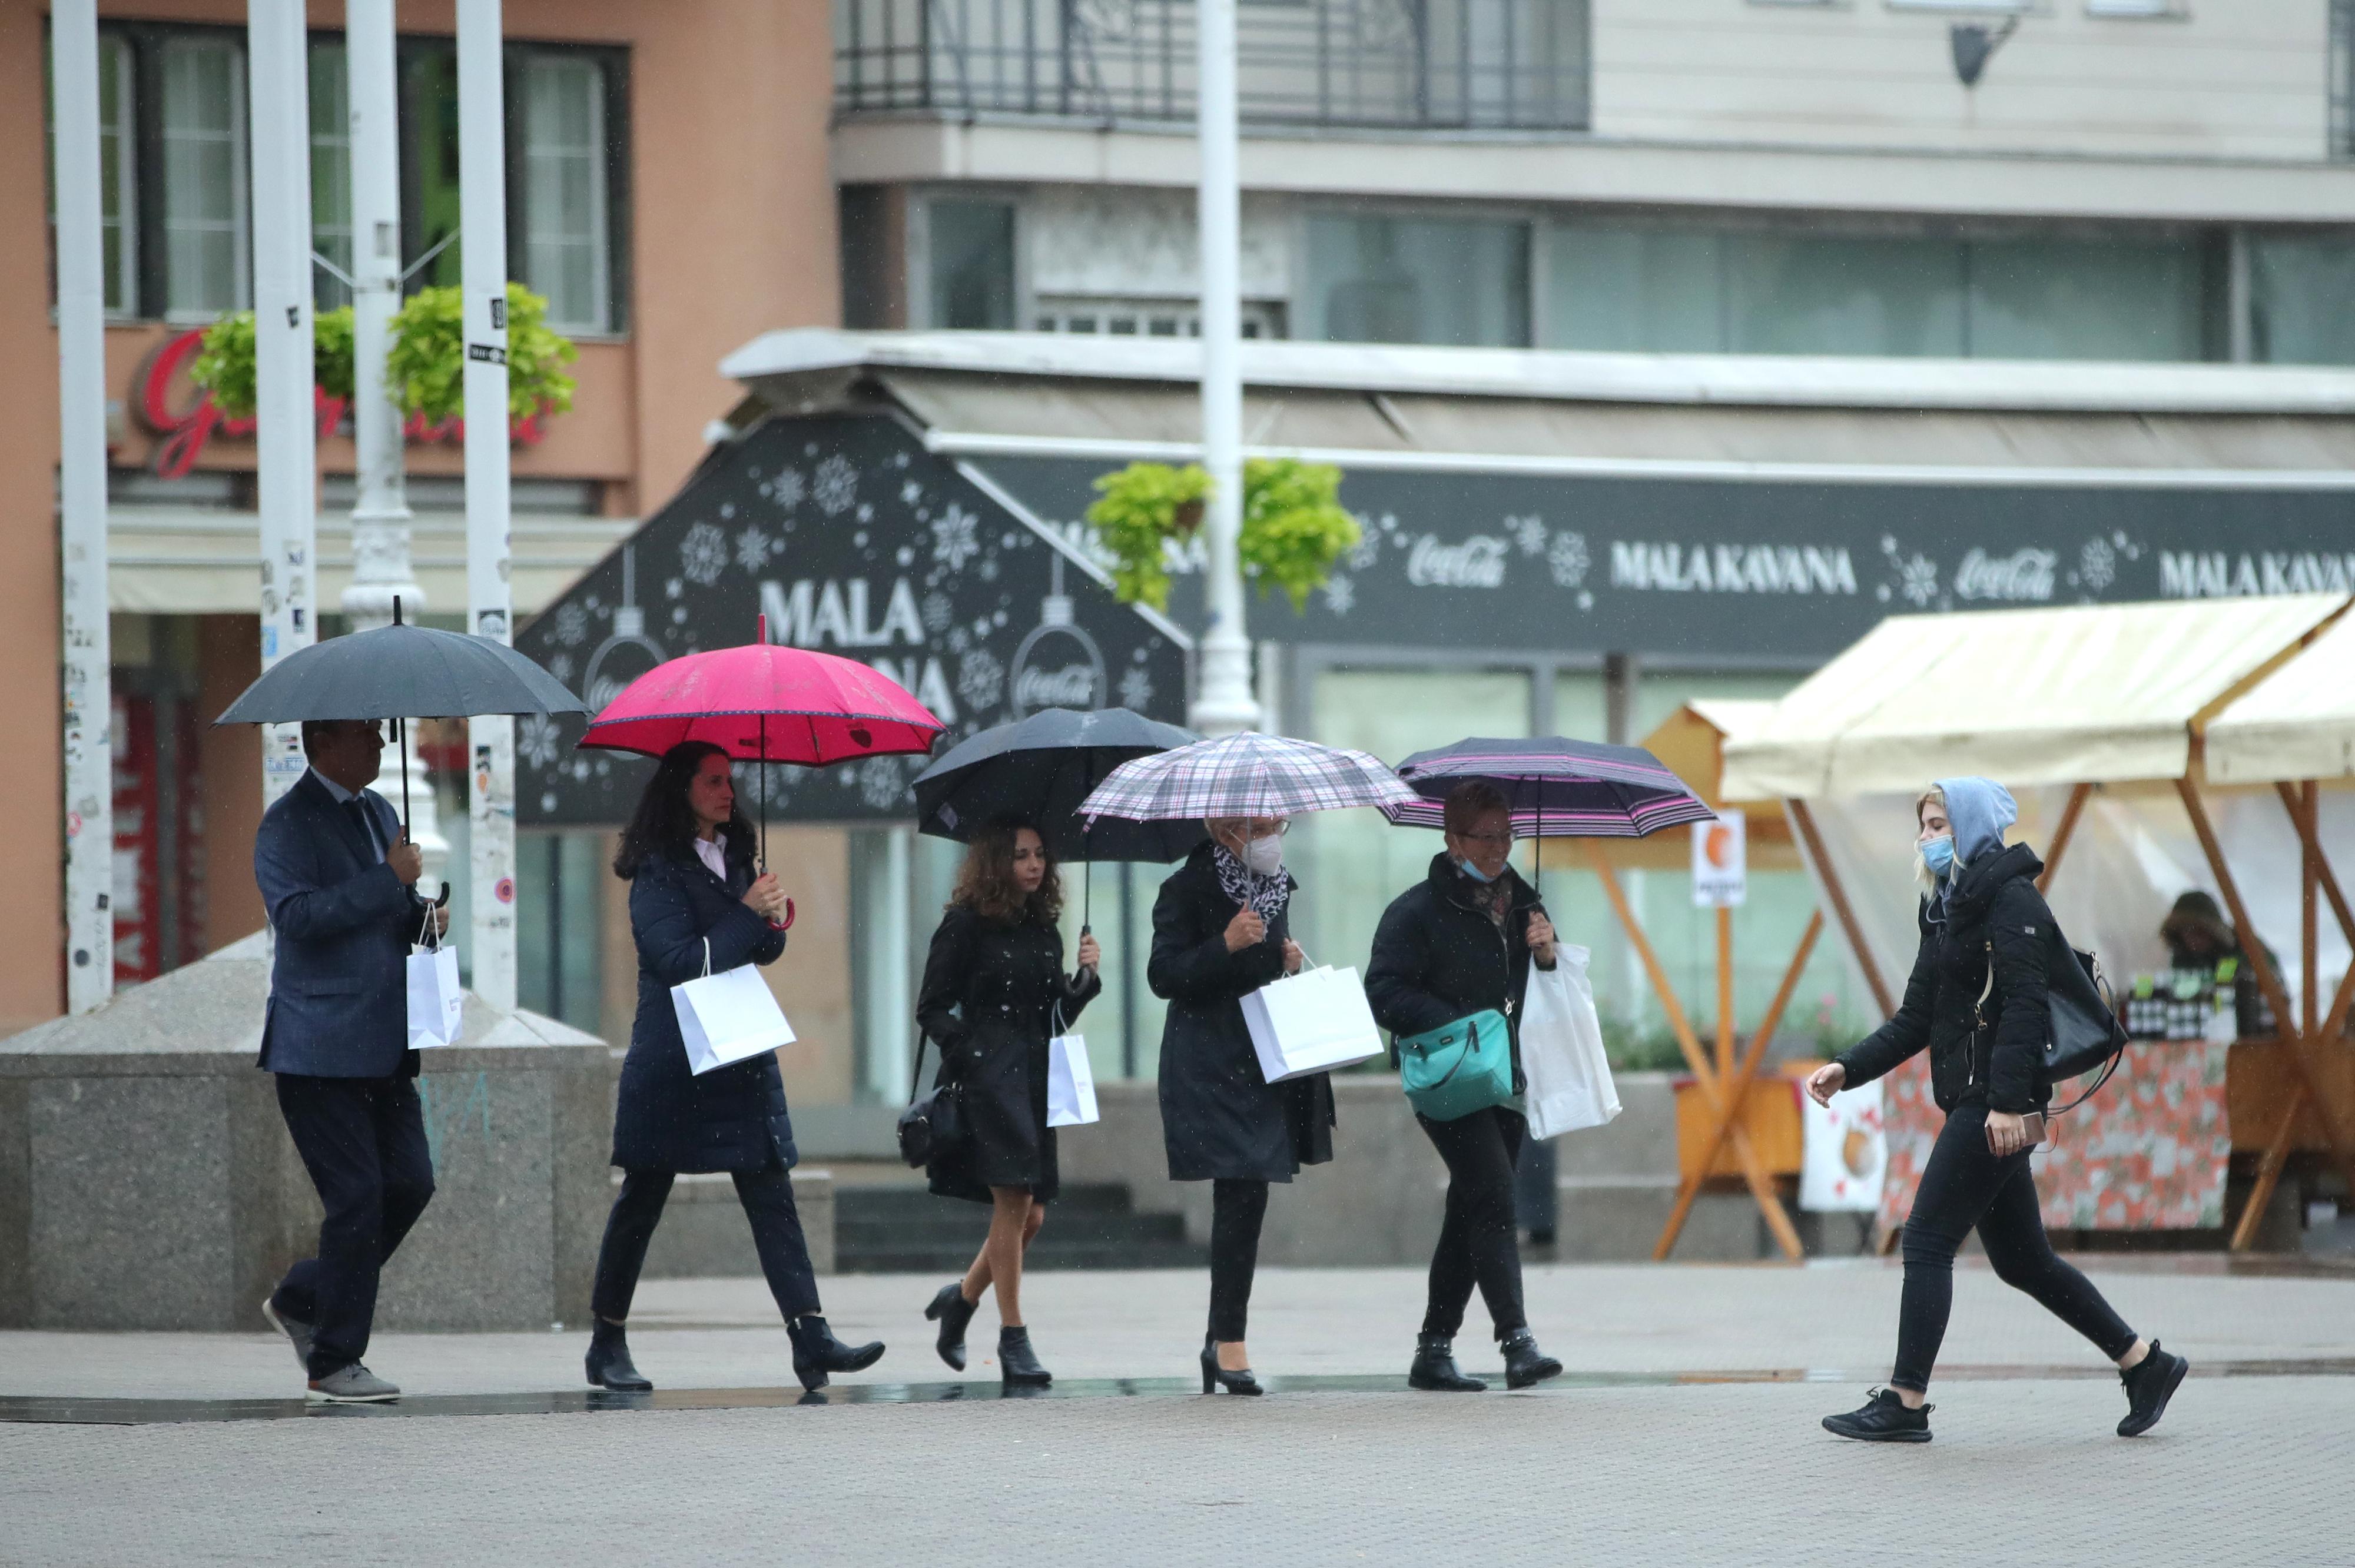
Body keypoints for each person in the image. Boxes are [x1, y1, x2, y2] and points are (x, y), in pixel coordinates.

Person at [1809, 778, 2188, 1443]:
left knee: (1926, 1239)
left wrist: (2010, 1103)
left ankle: (1904, 1401)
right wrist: (1849, 1068)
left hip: (1994, 1104)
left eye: (1938, 825)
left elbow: (2025, 1007)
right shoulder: (1947, 907)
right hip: (1979, 1101)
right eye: (1923, 827)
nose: (1926, 839)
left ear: (1972, 826)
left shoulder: (2011, 899)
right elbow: (1916, 1018)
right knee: (2023, 1261)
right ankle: (2144, 1364)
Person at [583, 742, 884, 1394]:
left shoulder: (737, 853)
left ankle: (811, 1339)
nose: (729, 792)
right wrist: (747, 916)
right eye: (714, 782)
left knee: (771, 1191)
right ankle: (606, 1340)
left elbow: (757, 949)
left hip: (738, 1050)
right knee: (643, 1199)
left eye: (731, 781)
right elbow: (682, 960)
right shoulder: (656, 870)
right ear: (681, 790)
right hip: (676, 1060)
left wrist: (772, 918)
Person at [254, 719, 448, 1404]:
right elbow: (299, 918)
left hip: (386, 1041)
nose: (382, 745)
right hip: (318, 1045)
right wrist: (383, 880)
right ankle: (335, 1359)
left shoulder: (380, 809)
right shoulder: (286, 825)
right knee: (357, 1196)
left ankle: (306, 1297)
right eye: (368, 734)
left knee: (410, 1183)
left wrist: (421, 915)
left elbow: (385, 910)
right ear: (325, 741)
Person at [1366, 780, 1566, 1394]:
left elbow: (1542, 985)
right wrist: (1455, 1025)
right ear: (1452, 839)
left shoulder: (1525, 901)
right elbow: (1383, 992)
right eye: (1485, 836)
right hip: (1448, 1077)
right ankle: (1517, 1342)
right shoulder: (1415, 910)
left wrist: (1547, 952)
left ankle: (1433, 1349)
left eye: (1507, 835)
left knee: (1471, 1207)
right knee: (1494, 1195)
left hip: (1506, 1077)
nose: (1499, 847)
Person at [1150, 816, 1334, 1396]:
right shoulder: (1184, 889)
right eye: (1258, 824)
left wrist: (1283, 960)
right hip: (1208, 1057)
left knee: (1249, 1190)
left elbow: (1262, 969)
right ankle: (1229, 1342)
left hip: (1262, 1056)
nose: (1271, 833)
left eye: (1277, 822)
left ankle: (1220, 1337)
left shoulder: (1276, 886)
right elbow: (1162, 974)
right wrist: (1223, 945)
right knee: (1238, 1184)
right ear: (1224, 827)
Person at [913, 821, 1102, 1387]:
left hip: (1037, 1073)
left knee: (1033, 1215)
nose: (1034, 864)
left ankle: (961, 1300)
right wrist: (970, 1050)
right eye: (1021, 855)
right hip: (989, 1078)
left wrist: (1085, 981)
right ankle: (1013, 1337)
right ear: (996, 861)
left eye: (1041, 854)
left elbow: (1052, 1017)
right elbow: (932, 1007)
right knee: (1015, 1198)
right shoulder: (966, 925)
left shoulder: (1043, 928)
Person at [2161, 889, 2275, 1038]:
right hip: (2202, 1035)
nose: (2192, 939)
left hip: (2255, 1035)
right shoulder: (2184, 959)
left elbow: (2273, 990)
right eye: (2186, 931)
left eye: (2199, 931)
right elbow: (2182, 1002)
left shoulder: (2246, 948)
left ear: (2212, 930)